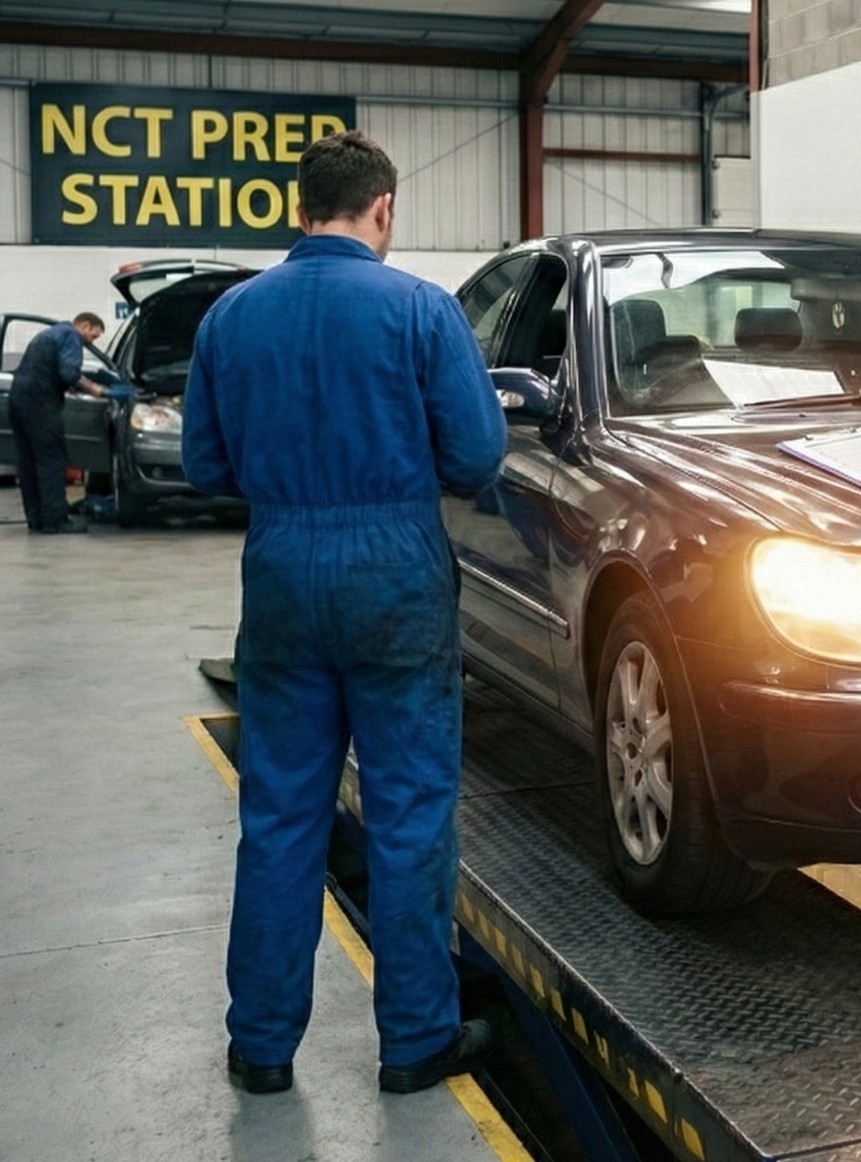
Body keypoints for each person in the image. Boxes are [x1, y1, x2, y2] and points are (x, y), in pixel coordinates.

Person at [181, 130, 505, 1096]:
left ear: (298, 209)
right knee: (408, 814)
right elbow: (479, 453)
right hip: (395, 576)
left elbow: (205, 465)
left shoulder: (230, 317)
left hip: (280, 574)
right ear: (384, 210)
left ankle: (262, 1049)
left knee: (280, 814)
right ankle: (414, 1045)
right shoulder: (420, 309)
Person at [7, 312, 108, 533]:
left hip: (17, 399)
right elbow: (68, 373)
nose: (92, 341)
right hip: (40, 402)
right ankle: (55, 521)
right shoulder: (71, 336)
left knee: (28, 462)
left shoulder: (47, 334)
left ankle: (36, 519)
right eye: (93, 335)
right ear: (83, 324)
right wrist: (96, 389)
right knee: (51, 460)